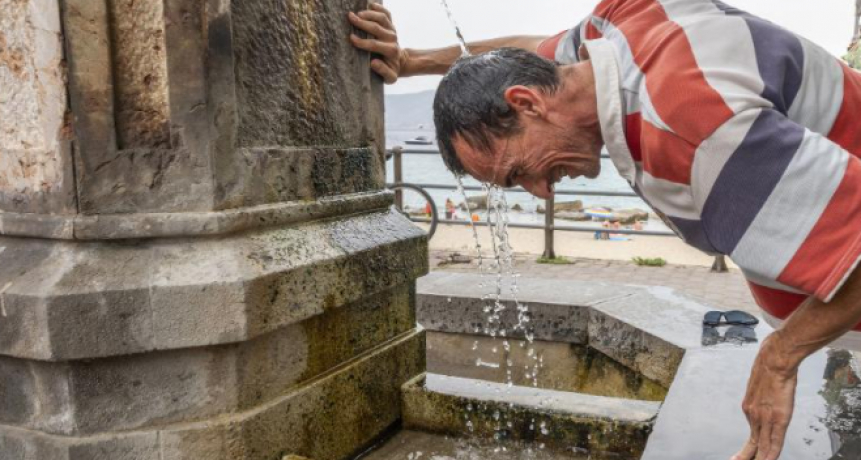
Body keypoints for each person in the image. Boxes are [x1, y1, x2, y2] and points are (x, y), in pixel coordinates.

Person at [349, 2, 861, 459]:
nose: (541, 193)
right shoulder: (614, 28)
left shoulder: (693, 133)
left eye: (519, 172)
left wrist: (779, 357)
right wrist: (413, 60)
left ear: (527, 103)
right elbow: (525, 51)